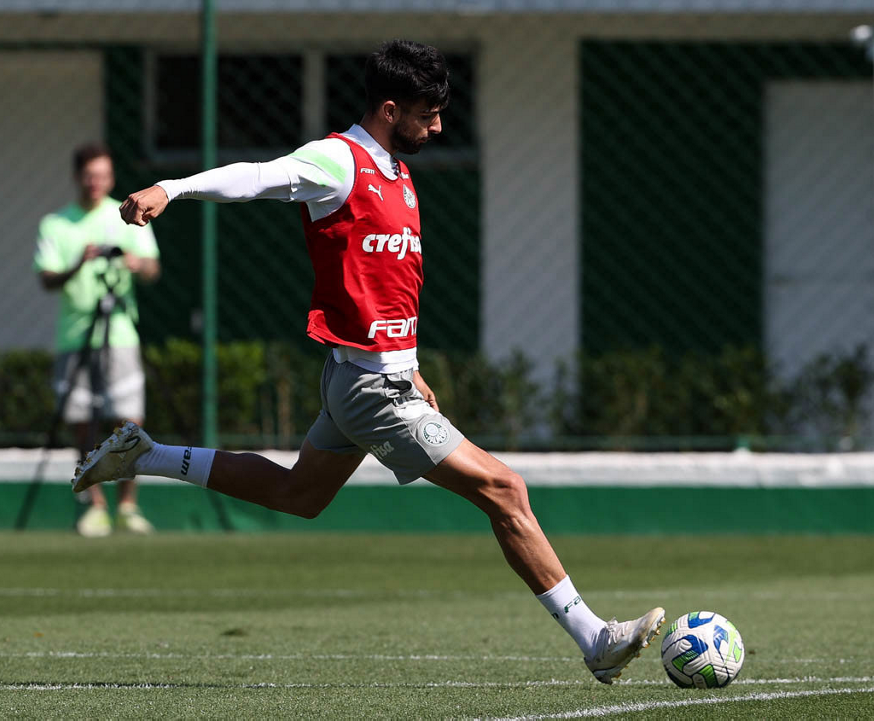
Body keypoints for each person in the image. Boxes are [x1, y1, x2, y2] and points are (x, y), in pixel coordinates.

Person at [77, 40, 664, 684]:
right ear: (389, 109)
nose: (437, 127)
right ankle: (595, 638)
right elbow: (259, 176)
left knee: (299, 494)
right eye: (426, 114)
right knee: (505, 490)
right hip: (370, 388)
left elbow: (387, 286)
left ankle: (148, 456)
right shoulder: (339, 161)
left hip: (368, 376)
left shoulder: (398, 174)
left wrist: (409, 363)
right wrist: (171, 187)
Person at [34, 143, 161, 537]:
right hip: (75, 335)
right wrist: (79, 264)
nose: (96, 183)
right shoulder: (55, 224)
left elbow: (152, 268)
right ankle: (95, 506)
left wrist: (136, 263)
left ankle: (128, 505)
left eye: (103, 176)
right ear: (78, 177)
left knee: (129, 420)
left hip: (121, 332)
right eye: (90, 176)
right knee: (81, 423)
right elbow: (46, 278)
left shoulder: (128, 213)